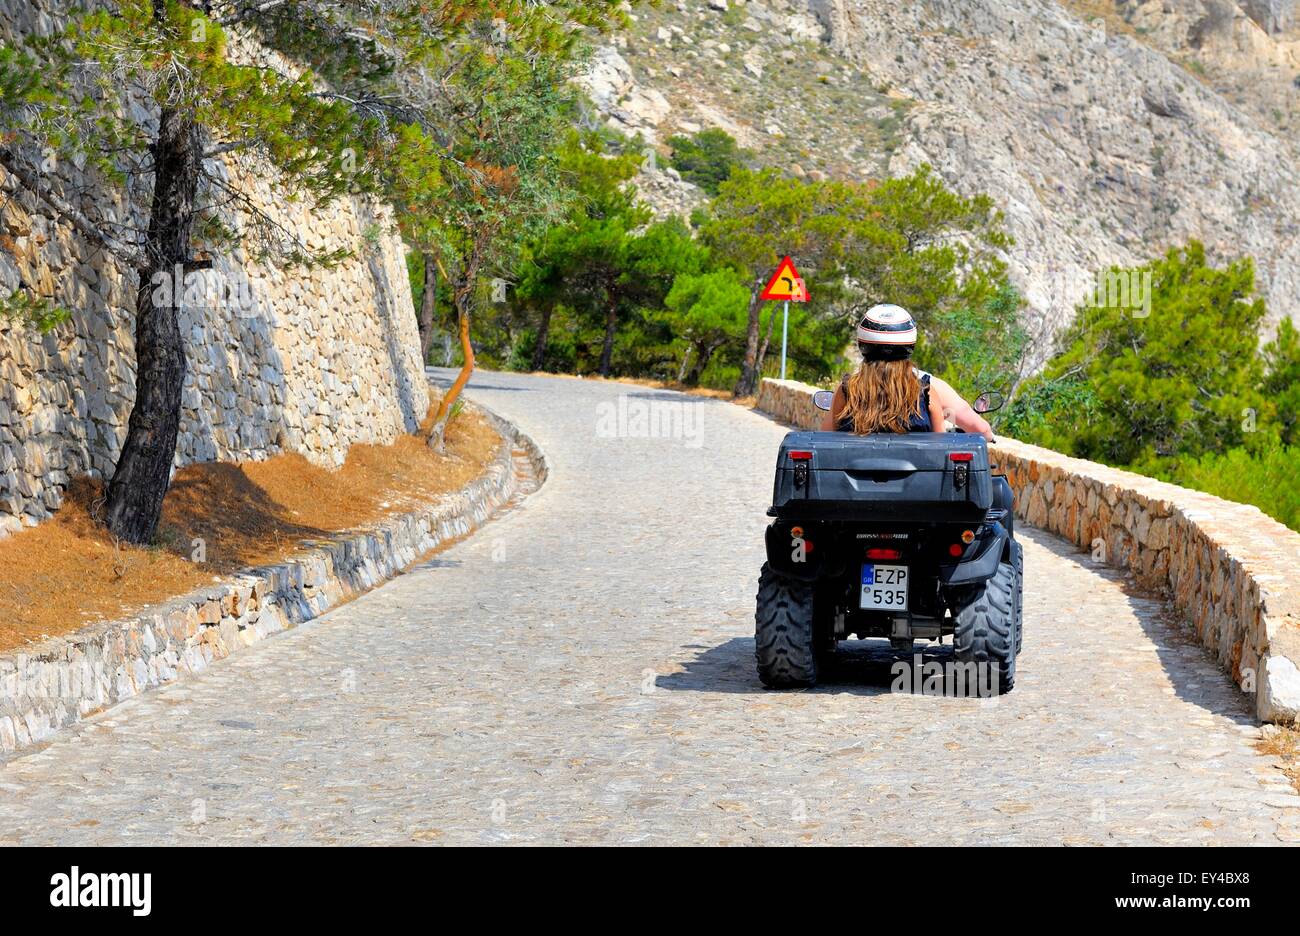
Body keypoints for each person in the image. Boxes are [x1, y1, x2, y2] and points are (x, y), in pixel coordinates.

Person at [820, 304, 995, 442]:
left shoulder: (847, 390)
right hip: (920, 486)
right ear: (909, 345)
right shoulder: (927, 391)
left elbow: (825, 440)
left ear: (863, 344)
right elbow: (942, 446)